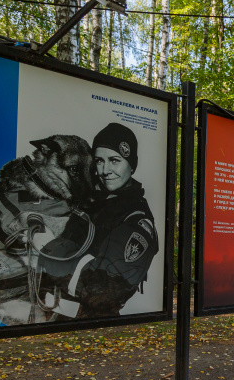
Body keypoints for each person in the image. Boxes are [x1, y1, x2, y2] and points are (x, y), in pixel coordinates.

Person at [39, 122, 159, 318]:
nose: (105, 170)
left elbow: (105, 291)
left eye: (114, 160)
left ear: (132, 165)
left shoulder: (137, 221)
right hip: (56, 324)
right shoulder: (91, 204)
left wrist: (45, 251)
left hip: (95, 332)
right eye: (99, 161)